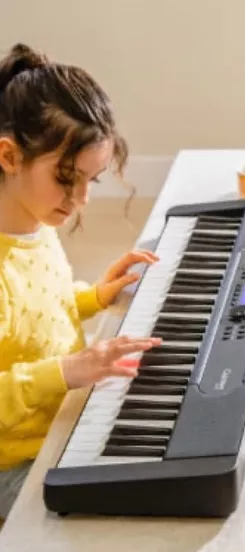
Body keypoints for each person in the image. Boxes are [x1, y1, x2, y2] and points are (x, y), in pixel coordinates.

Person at [0, 44, 162, 519]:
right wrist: (68, 372)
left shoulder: (37, 224)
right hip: (15, 461)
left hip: (61, 419)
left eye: (92, 180)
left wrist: (92, 297)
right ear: (8, 155)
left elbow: (34, 311)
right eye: (68, 178)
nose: (82, 199)